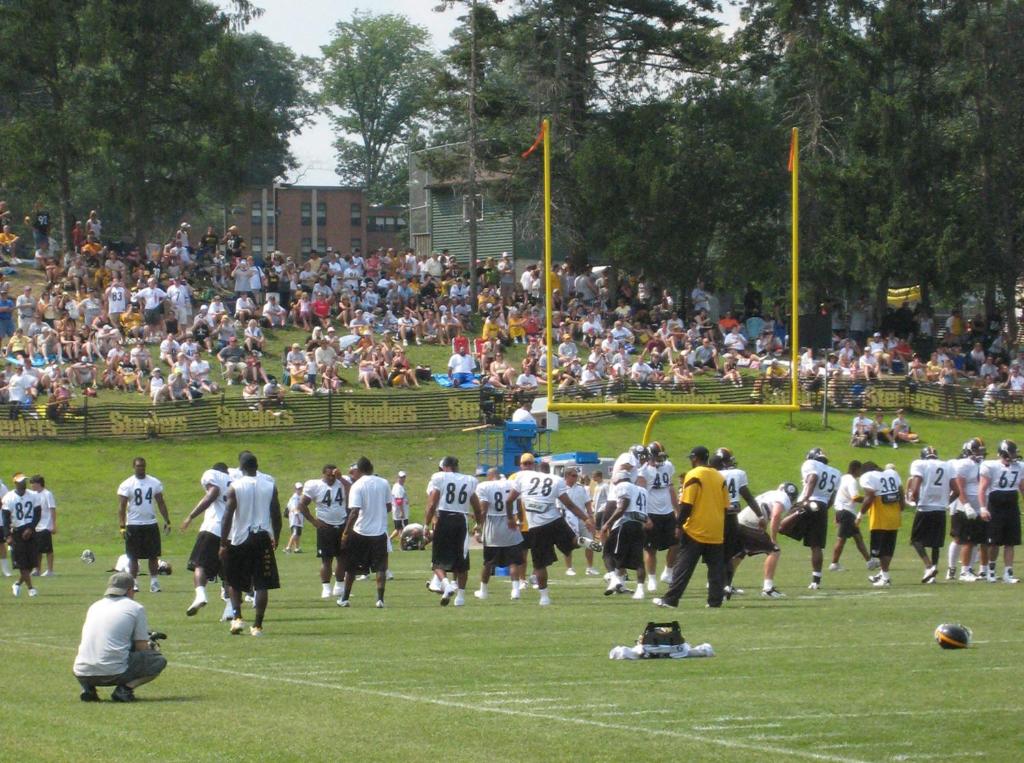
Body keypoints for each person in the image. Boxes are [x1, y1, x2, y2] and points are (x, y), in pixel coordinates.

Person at [506, 453, 595, 606]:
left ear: (535, 468)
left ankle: (544, 597)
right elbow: (570, 505)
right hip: (555, 520)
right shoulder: (557, 480)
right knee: (571, 543)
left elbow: (509, 500)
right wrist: (586, 518)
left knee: (539, 564)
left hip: (536, 527)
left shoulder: (522, 478)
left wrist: (510, 519)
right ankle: (581, 540)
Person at [653, 445, 729, 609]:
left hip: (696, 529)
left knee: (683, 566)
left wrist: (679, 525)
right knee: (715, 568)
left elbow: (687, 504)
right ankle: (715, 601)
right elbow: (725, 506)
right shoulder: (719, 477)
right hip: (716, 528)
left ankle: (671, 600)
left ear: (694, 458)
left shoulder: (693, 475)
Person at [72, 572, 167, 702]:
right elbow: (141, 647)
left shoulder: (94, 606)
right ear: (129, 590)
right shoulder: (135, 608)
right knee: (158, 660)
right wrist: (150, 646)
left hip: (81, 672)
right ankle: (125, 689)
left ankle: (88, 689)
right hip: (113, 672)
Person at [219, 452, 281, 636]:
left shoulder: (235, 487)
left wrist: (223, 543)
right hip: (262, 535)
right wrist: (275, 536)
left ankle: (237, 618)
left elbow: (227, 517)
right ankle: (258, 625)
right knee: (262, 583)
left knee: (235, 580)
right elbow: (276, 515)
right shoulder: (270, 486)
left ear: (241, 468)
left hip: (240, 537)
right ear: (257, 466)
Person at [424, 456, 482, 607]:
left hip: (443, 519)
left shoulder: (440, 478)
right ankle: (460, 597)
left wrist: (426, 524)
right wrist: (479, 523)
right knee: (461, 561)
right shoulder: (468, 480)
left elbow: (431, 505)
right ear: (457, 466)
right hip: (461, 521)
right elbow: (477, 507)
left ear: (444, 467)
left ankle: (446, 584)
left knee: (437, 561)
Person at [338, 457, 392, 608]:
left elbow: (354, 512)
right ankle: (380, 599)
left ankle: (345, 598)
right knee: (381, 568)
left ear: (359, 470)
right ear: (372, 468)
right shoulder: (384, 483)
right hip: (379, 532)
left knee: (351, 568)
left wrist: (345, 533)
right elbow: (388, 507)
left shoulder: (357, 485)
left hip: (360, 531)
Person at [179, 462, 232, 616]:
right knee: (226, 572)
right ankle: (230, 608)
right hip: (232, 532)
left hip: (213, 528)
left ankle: (201, 594)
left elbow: (212, 493)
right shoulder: (235, 482)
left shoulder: (212, 475)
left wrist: (191, 516)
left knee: (200, 565)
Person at [116, 458, 171, 593]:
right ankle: (134, 582)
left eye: (143, 466)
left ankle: (154, 582)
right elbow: (122, 507)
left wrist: (167, 520)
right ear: (133, 467)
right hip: (134, 524)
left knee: (153, 555)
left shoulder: (154, 482)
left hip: (150, 523)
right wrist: (122, 526)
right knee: (133, 556)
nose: (141, 468)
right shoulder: (127, 484)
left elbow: (161, 502)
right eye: (138, 466)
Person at [713, 447, 760, 598]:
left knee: (715, 553)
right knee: (730, 554)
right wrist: (760, 515)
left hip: (716, 516)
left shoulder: (713, 474)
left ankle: (717, 584)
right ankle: (727, 585)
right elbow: (747, 496)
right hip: (733, 517)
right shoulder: (738, 473)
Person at [298, 465, 348, 599]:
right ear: (323, 474)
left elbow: (353, 490)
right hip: (325, 526)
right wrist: (313, 521)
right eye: (329, 475)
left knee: (342, 558)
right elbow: (301, 504)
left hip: (342, 524)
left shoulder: (342, 483)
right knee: (327, 559)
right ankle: (326, 587)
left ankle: (339, 586)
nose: (331, 478)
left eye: (333, 475)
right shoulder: (315, 485)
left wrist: (341, 477)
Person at [738, 483, 797, 598]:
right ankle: (768, 588)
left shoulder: (771, 494)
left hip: (739, 521)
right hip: (749, 524)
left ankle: (725, 585)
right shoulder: (783, 497)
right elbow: (775, 515)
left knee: (739, 553)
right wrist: (773, 538)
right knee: (774, 550)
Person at [599, 470, 650, 599]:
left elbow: (622, 507)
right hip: (639, 525)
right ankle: (639, 590)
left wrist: (608, 524)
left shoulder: (623, 486)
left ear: (620, 478)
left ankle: (614, 578)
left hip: (624, 524)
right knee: (638, 560)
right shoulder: (642, 490)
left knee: (608, 553)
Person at [473, 467, 522, 600]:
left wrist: (478, 527)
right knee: (513, 562)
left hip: (493, 527)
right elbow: (518, 503)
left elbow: (483, 510)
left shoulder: (484, 486)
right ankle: (515, 591)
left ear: (490, 476)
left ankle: (483, 591)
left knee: (488, 562)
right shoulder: (511, 483)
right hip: (510, 523)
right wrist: (521, 521)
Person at [978, 439, 1022, 584]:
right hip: (995, 505)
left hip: (1012, 505)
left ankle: (1008, 573)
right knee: (994, 542)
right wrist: (983, 508)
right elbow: (983, 488)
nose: (1015, 455)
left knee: (1010, 542)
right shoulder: (990, 465)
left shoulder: (1019, 466)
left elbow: (1022, 487)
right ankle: (991, 571)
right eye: (1012, 452)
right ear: (1004, 453)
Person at [907, 447, 953, 583]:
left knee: (915, 540)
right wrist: (945, 502)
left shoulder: (920, 464)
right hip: (940, 509)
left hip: (925, 507)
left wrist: (914, 499)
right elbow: (956, 490)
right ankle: (932, 573)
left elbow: (915, 486)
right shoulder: (946, 465)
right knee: (935, 543)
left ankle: (929, 566)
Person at [797, 447, 841, 590]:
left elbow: (813, 478)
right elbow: (833, 498)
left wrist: (805, 499)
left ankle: (772, 547)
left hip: (809, 501)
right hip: (822, 506)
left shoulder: (810, 464)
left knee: (781, 528)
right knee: (816, 545)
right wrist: (823, 509)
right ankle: (816, 580)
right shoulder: (835, 472)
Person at [857, 461, 904, 587]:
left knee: (879, 552)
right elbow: (900, 491)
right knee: (888, 549)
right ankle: (883, 575)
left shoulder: (867, 477)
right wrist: (902, 506)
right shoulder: (892, 474)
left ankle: (885, 577)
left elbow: (870, 496)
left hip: (880, 518)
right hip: (894, 517)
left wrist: (860, 515)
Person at [641, 442, 679, 591]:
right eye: (657, 456)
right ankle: (651, 578)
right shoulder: (643, 471)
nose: (660, 459)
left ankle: (668, 572)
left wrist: (677, 509)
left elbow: (670, 488)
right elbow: (641, 494)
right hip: (651, 512)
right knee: (651, 549)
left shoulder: (668, 467)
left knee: (676, 544)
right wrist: (644, 516)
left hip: (668, 512)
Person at [950, 438, 988, 581]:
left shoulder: (982, 464)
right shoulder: (963, 464)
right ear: (970, 450)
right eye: (978, 450)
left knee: (977, 540)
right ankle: (964, 571)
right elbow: (960, 487)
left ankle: (971, 569)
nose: (981, 453)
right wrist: (966, 505)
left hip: (980, 506)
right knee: (967, 540)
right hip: (967, 507)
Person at [829, 461, 874, 571]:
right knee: (841, 539)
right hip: (847, 512)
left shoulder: (843, 478)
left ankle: (870, 562)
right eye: (860, 470)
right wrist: (869, 499)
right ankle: (834, 564)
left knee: (858, 538)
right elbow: (855, 497)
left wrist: (837, 513)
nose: (861, 472)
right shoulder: (852, 481)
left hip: (843, 511)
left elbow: (838, 495)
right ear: (856, 469)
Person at [3, 473, 41, 597]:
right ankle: (31, 588)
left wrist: (31, 528)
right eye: (20, 481)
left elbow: (37, 513)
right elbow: (5, 518)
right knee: (22, 563)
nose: (23, 483)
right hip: (17, 532)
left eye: (24, 481)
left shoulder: (33, 496)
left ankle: (18, 584)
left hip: (30, 530)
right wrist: (7, 535)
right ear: (15, 483)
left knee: (31, 563)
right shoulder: (9, 497)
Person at [560, 467, 594, 576]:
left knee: (589, 541)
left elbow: (587, 502)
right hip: (567, 518)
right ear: (567, 476)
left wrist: (591, 516)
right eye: (574, 475)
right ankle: (569, 568)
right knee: (568, 544)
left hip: (582, 518)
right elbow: (558, 506)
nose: (576, 478)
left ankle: (590, 567)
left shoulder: (581, 488)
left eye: (576, 476)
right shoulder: (561, 488)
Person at [29, 474, 57, 577]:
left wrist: (53, 525)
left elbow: (52, 509)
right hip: (36, 526)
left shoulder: (47, 494)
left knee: (48, 550)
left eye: (33, 484)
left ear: (38, 484)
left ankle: (50, 570)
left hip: (46, 525)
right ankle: (37, 570)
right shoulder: (33, 495)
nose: (31, 486)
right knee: (37, 550)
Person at [388, 471, 409, 545]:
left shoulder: (398, 486)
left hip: (398, 512)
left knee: (398, 529)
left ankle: (389, 540)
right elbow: (399, 501)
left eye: (403, 477)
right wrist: (402, 512)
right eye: (400, 477)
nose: (402, 479)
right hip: (400, 513)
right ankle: (402, 545)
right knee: (403, 530)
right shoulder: (398, 488)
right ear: (397, 478)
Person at [284, 482, 304, 554]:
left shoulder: (300, 497)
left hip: (298, 518)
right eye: (298, 489)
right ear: (295, 489)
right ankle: (288, 547)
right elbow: (294, 508)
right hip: (295, 518)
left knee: (298, 533)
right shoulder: (294, 498)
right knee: (295, 533)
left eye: (301, 488)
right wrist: (298, 518)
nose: (300, 490)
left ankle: (297, 548)